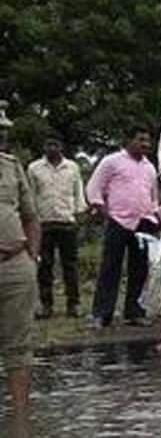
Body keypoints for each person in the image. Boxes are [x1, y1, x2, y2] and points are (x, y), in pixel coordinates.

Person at [87, 125, 159, 328]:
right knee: (110, 267)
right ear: (128, 140)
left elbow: (153, 196)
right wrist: (102, 210)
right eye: (140, 140)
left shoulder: (149, 167)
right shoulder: (112, 162)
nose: (145, 144)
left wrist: (155, 216)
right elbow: (94, 187)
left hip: (143, 223)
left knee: (140, 269)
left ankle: (134, 311)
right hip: (118, 221)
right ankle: (102, 313)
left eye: (147, 141)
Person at [0, 112, 40, 413]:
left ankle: (21, 421)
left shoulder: (12, 168)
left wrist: (32, 258)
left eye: (4, 130)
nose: (2, 135)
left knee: (19, 346)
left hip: (15, 264)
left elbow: (30, 217)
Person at [26, 136, 86, 319]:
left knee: (71, 266)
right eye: (48, 144)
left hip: (67, 222)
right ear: (44, 147)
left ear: (62, 147)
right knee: (45, 265)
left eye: (56, 145)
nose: (52, 148)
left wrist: (79, 214)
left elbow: (78, 193)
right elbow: (30, 195)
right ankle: (46, 305)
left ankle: (74, 304)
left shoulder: (72, 167)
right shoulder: (34, 168)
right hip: (43, 223)